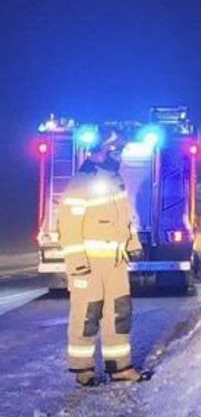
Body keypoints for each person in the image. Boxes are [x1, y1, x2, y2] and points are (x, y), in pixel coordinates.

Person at [56, 127, 146, 386]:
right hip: (90, 266)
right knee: (86, 315)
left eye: (120, 151)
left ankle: (121, 368)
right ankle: (83, 370)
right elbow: (69, 227)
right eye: (114, 151)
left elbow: (125, 219)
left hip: (115, 264)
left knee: (119, 315)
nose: (118, 156)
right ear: (98, 152)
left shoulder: (115, 181)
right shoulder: (81, 182)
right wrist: (77, 263)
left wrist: (132, 243)